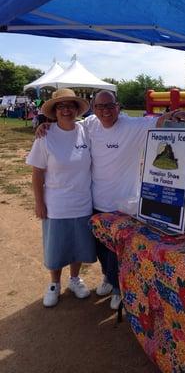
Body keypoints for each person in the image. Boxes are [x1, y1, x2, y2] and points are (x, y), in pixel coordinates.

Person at [37, 90, 185, 309]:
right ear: (93, 109)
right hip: (95, 202)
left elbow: (158, 121)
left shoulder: (132, 126)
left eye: (109, 106)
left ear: (118, 107)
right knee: (101, 247)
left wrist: (173, 115)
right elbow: (65, 127)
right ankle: (108, 279)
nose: (105, 111)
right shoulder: (89, 125)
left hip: (124, 204)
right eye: (100, 107)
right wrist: (44, 125)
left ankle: (120, 288)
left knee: (118, 251)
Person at [26, 88, 97, 307]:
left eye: (70, 106)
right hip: (56, 205)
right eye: (61, 106)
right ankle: (54, 284)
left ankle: (74, 280)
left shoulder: (87, 131)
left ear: (77, 110)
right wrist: (39, 202)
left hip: (83, 203)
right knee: (56, 248)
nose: (66, 110)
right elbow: (37, 173)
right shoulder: (45, 135)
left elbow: (112, 116)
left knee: (77, 246)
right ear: (55, 111)